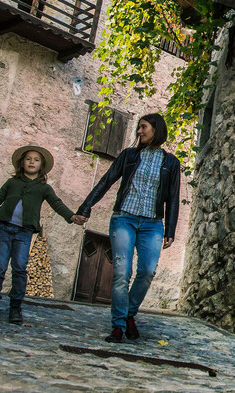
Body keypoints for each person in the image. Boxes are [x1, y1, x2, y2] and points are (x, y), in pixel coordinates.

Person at [71, 113, 182, 343]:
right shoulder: (129, 155)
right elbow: (106, 180)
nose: (139, 132)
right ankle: (119, 325)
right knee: (122, 272)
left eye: (143, 127)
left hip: (152, 224)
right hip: (124, 218)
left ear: (156, 129)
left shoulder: (171, 163)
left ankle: (129, 314)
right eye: (138, 128)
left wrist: (170, 229)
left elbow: (172, 197)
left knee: (147, 272)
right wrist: (85, 207)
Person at [0, 145, 82, 323]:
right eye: (28, 159)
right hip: (3, 227)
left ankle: (15, 307)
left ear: (41, 166)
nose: (31, 162)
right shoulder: (12, 183)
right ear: (22, 163)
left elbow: (56, 204)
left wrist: (71, 216)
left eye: (36, 160)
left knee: (19, 268)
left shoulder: (43, 188)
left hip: (24, 232)